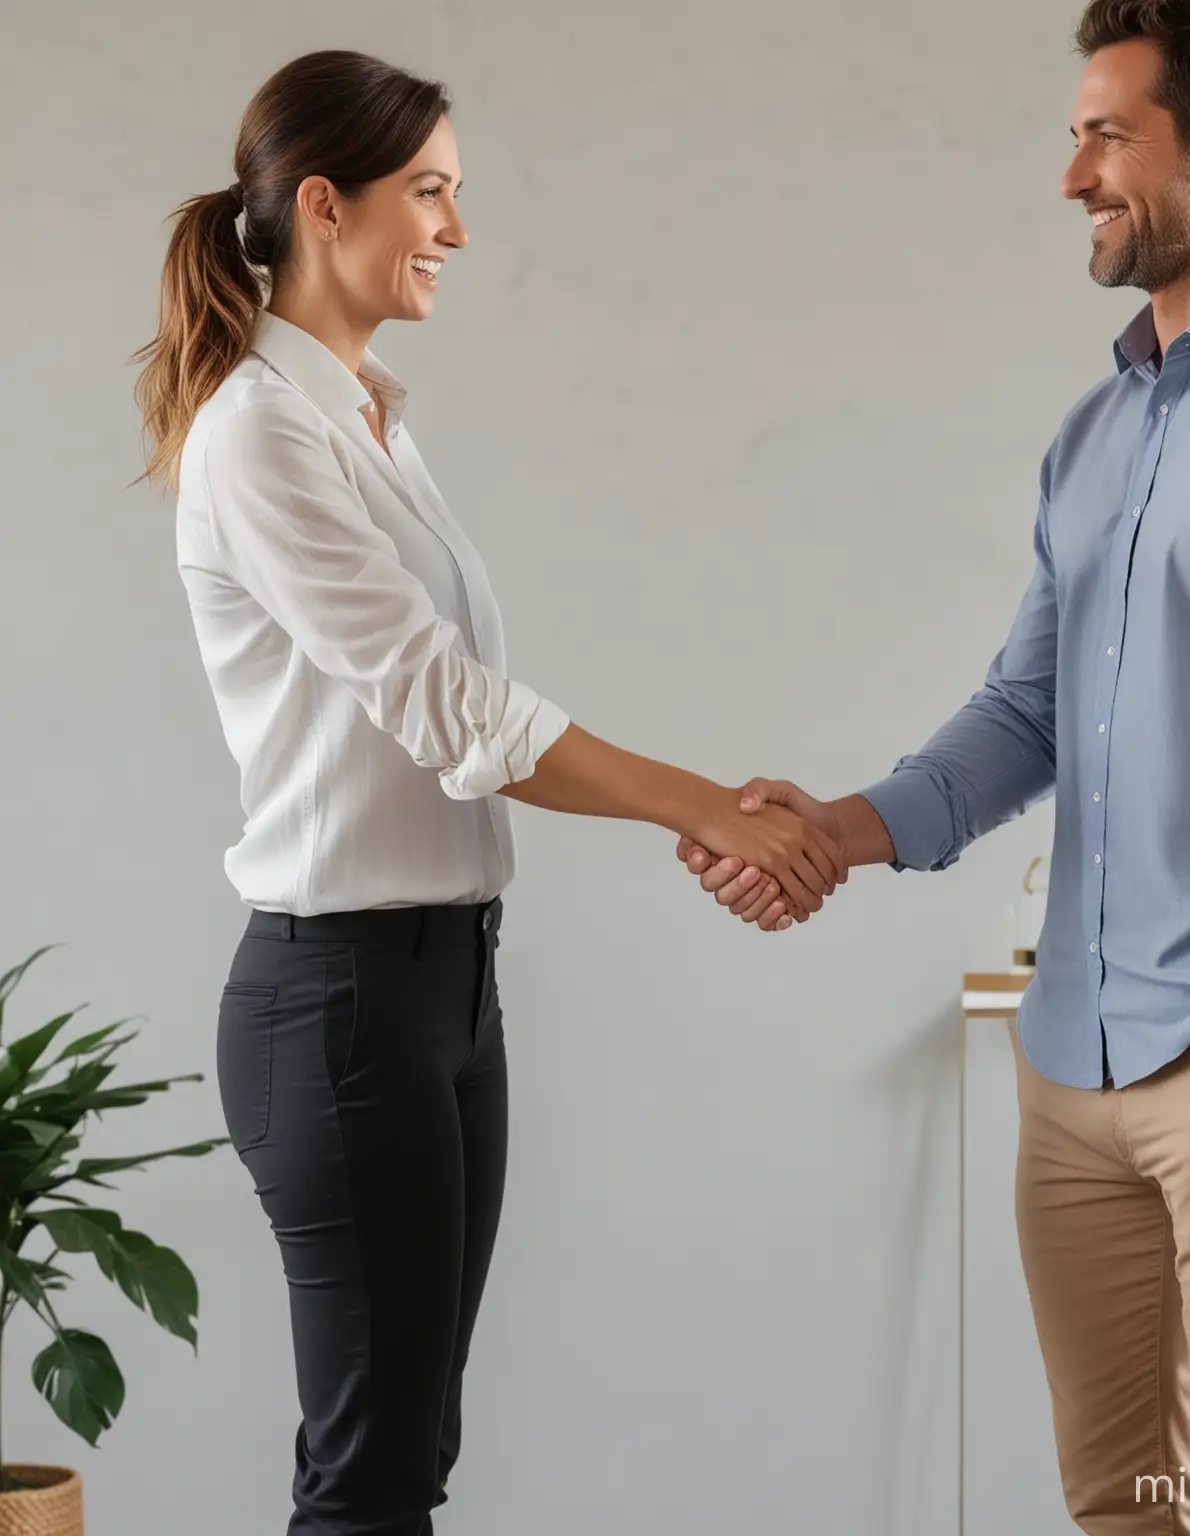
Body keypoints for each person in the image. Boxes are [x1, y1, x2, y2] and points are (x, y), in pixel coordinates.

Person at [679, 2, 1190, 1530]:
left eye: (1106, 134)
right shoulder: (1099, 431)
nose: (1074, 177)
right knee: (1119, 1507)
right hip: (1075, 1073)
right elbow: (1027, 713)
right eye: (1077, 137)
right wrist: (835, 830)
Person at [132, 49, 845, 1536]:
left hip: (445, 993)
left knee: (410, 1459)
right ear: (326, 206)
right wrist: (708, 807)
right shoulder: (261, 432)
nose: (457, 229)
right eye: (433, 194)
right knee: (372, 1478)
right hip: (340, 1006)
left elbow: (452, 716)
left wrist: (707, 808)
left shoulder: (367, 416)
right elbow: (459, 713)